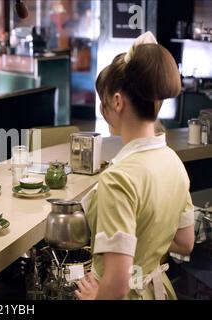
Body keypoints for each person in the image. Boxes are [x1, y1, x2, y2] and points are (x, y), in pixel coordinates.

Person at [75, 32, 194, 300]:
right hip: (158, 290)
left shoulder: (118, 178)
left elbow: (116, 286)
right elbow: (185, 244)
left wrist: (96, 297)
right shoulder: (173, 161)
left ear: (117, 101)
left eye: (103, 100)